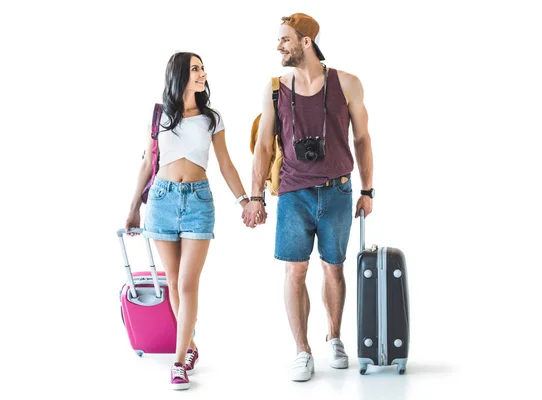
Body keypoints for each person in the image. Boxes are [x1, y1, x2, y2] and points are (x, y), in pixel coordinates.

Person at [243, 13, 375, 382]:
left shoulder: (347, 83)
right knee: (294, 270)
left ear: (306, 41)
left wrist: (366, 190)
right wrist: (256, 197)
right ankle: (302, 350)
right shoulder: (275, 89)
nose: (279, 46)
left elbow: (362, 139)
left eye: (285, 39)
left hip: (338, 190)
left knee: (333, 267)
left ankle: (334, 338)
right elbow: (263, 148)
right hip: (292, 193)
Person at [125, 52, 251, 390]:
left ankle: (178, 362)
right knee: (174, 282)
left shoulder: (212, 118)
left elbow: (225, 163)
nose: (202, 73)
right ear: (180, 74)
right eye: (195, 68)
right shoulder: (160, 115)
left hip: (198, 200)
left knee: (187, 284)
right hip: (162, 202)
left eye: (203, 68)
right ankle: (190, 346)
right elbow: (147, 164)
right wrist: (134, 206)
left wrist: (245, 200)